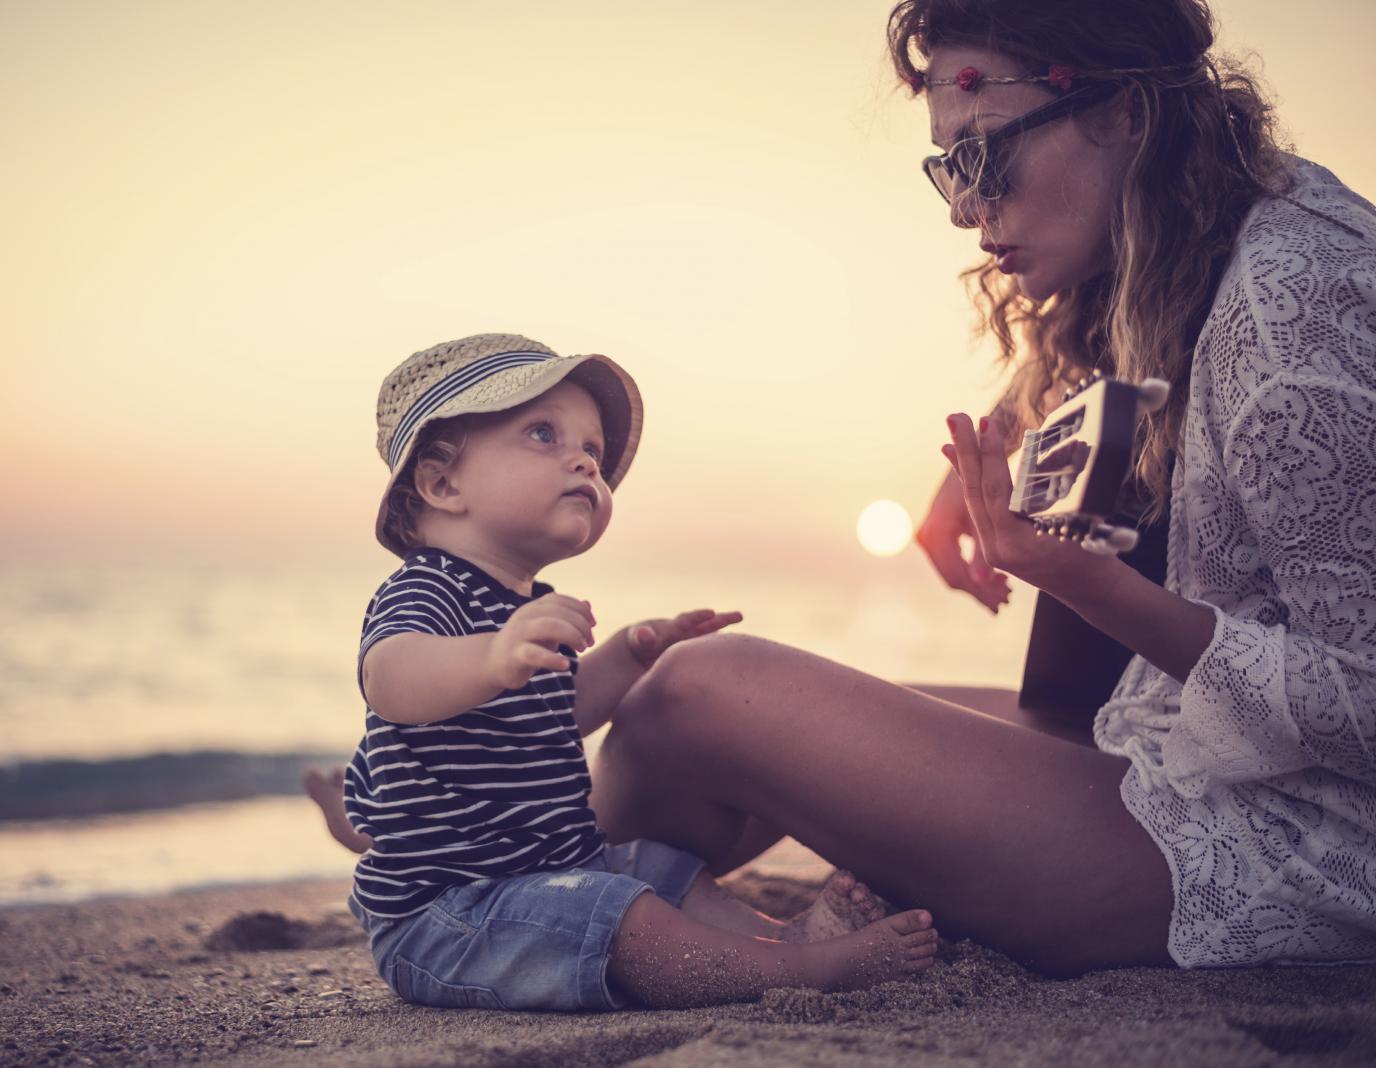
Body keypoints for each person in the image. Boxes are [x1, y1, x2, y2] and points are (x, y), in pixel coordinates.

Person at [577, 0, 1376, 976]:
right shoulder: (1198, 222)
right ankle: (472, 844)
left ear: (1122, 113)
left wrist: (1082, 582)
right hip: (1173, 738)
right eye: (944, 168)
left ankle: (486, 875)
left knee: (702, 689)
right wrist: (997, 433)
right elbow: (1116, 356)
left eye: (981, 160)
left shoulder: (1294, 318)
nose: (963, 208)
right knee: (671, 714)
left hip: (1285, 844)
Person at [322, 333, 938, 1012]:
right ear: (441, 483)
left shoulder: (525, 608)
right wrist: (493, 656)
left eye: (591, 450)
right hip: (450, 916)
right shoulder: (427, 590)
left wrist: (631, 656)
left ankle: (780, 942)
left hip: (551, 872)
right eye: (543, 434)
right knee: (618, 918)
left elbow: (558, 715)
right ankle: (802, 972)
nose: (584, 462)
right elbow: (391, 680)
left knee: (662, 870)